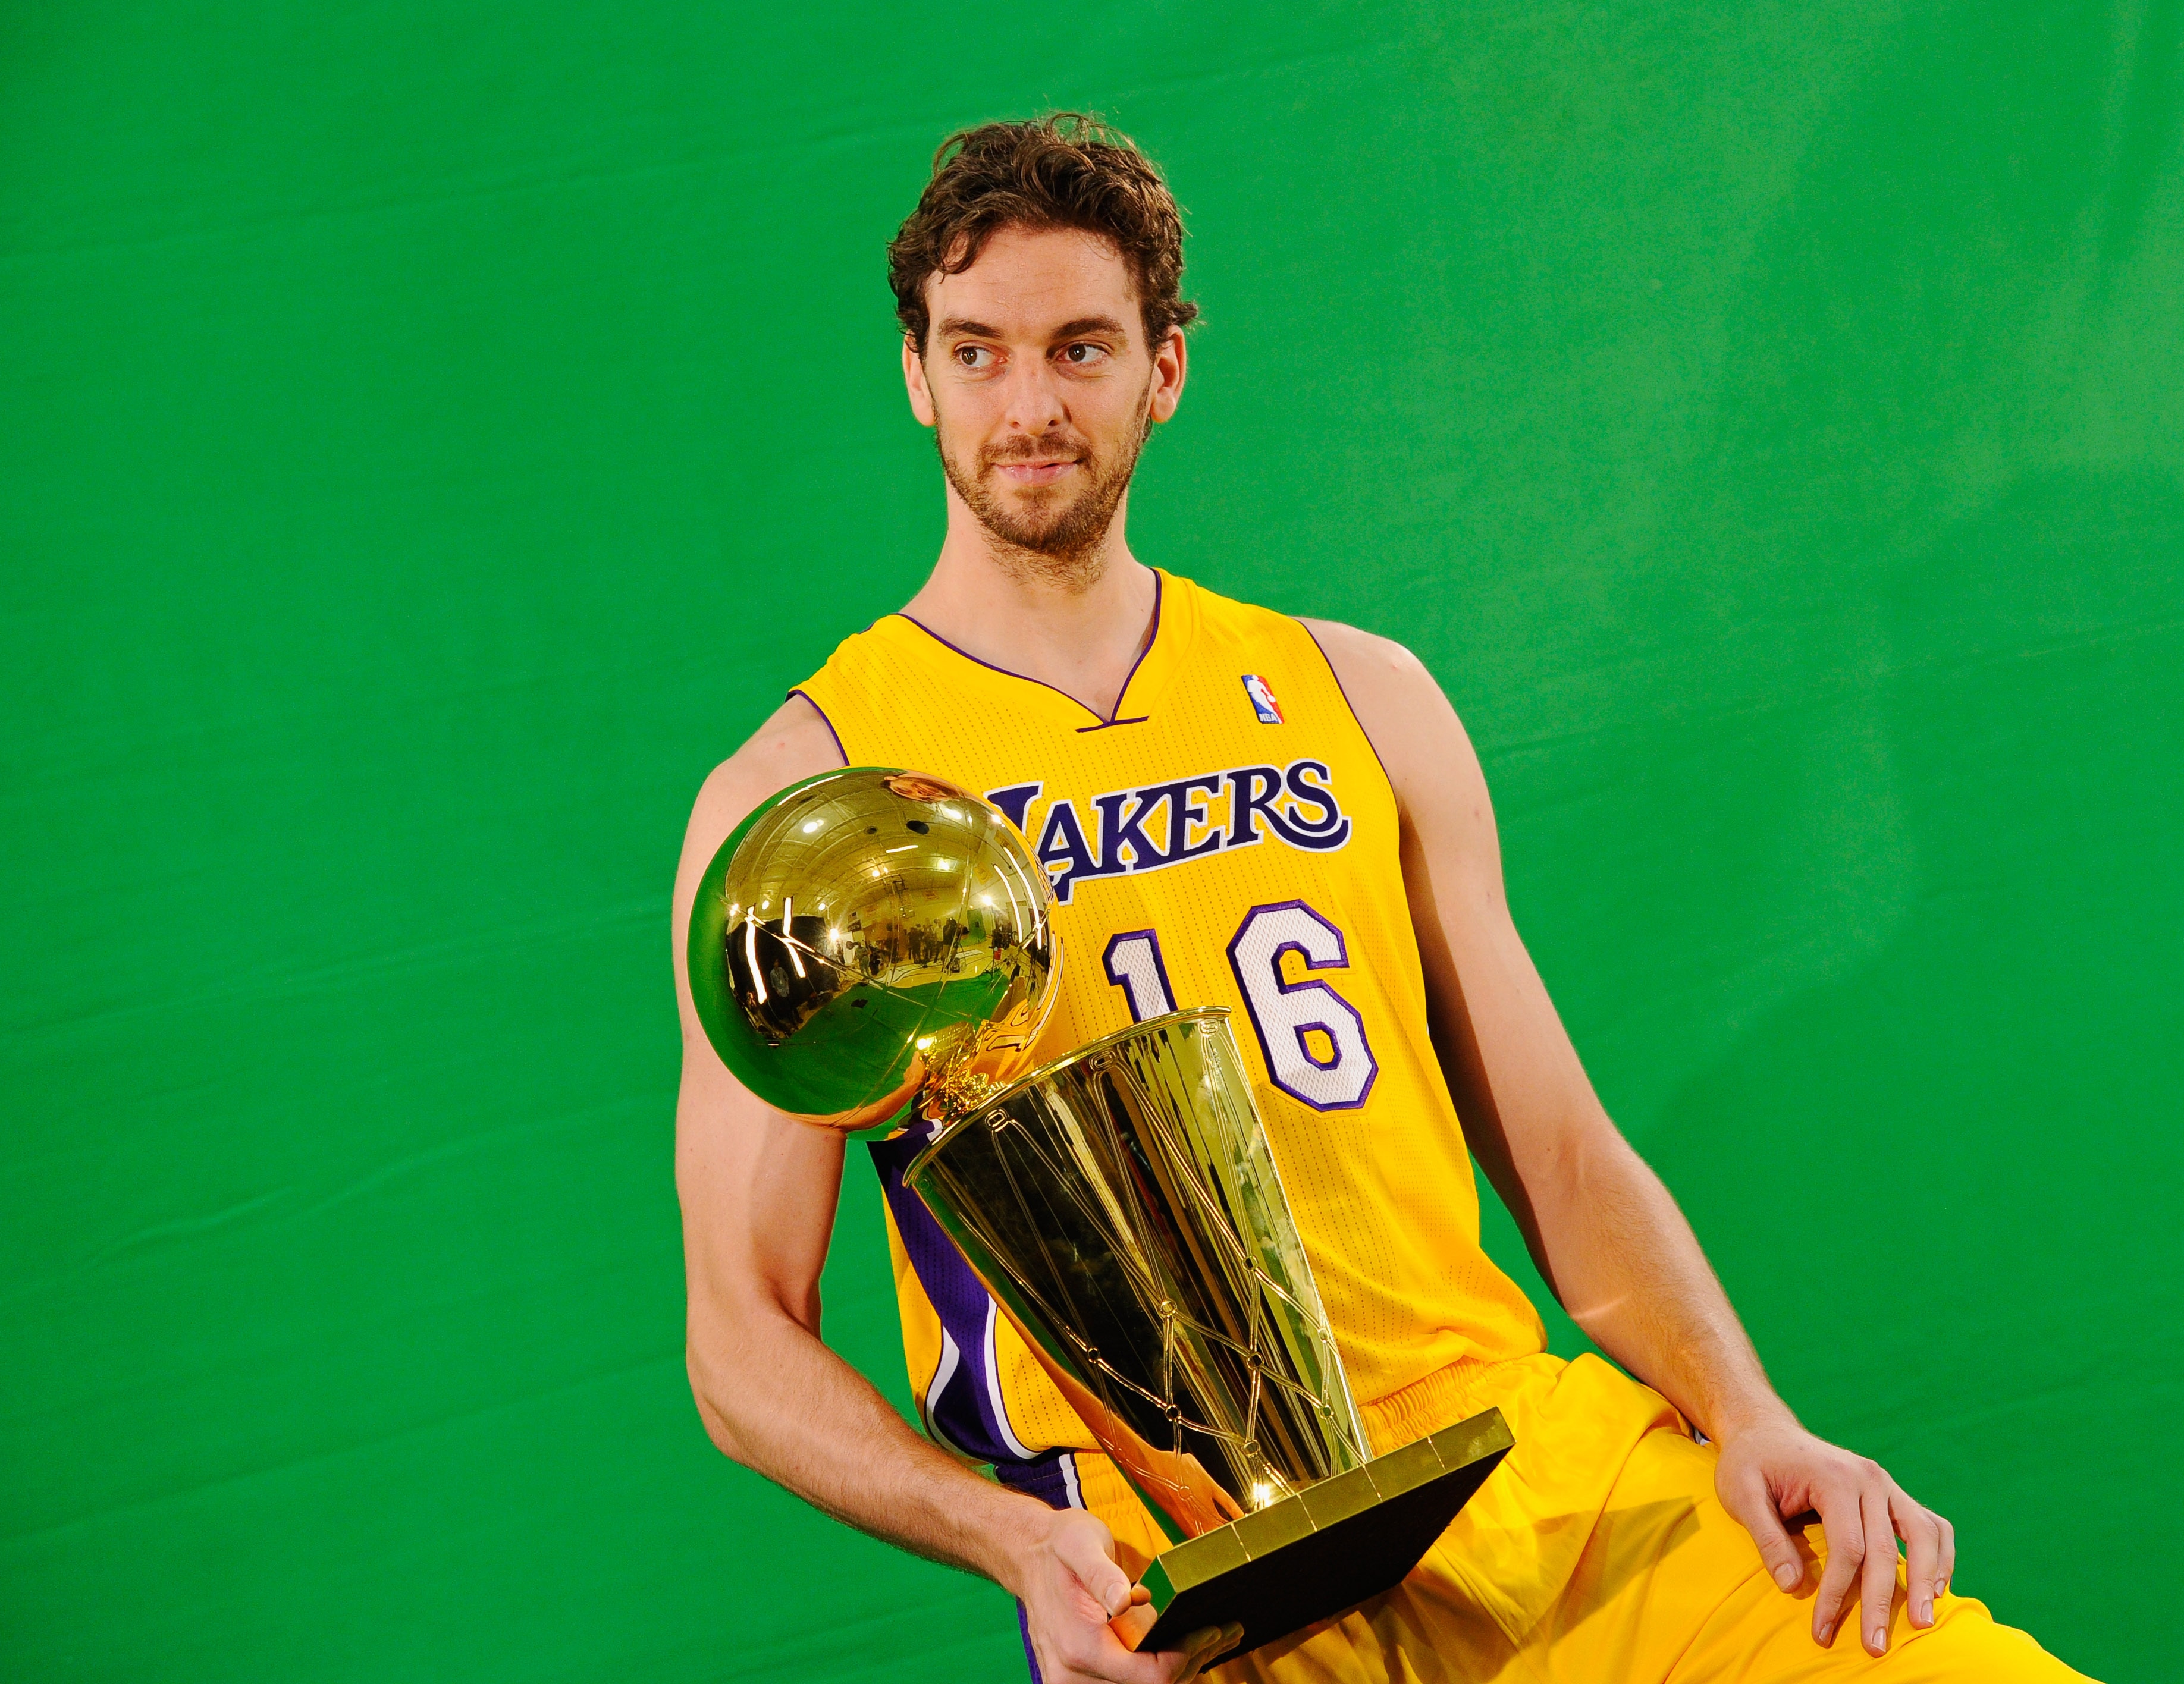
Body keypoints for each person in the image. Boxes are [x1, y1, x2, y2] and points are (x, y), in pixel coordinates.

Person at [671, 114, 2085, 1683]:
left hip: (1520, 1468)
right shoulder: (814, 796)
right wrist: (1012, 1539)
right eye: (978, 351)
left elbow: (1555, 1149)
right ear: (916, 375)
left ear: (1165, 368)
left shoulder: (1356, 694)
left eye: (1080, 349)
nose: (1029, 406)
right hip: (1183, 1569)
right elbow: (738, 1343)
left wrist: (1745, 1409)